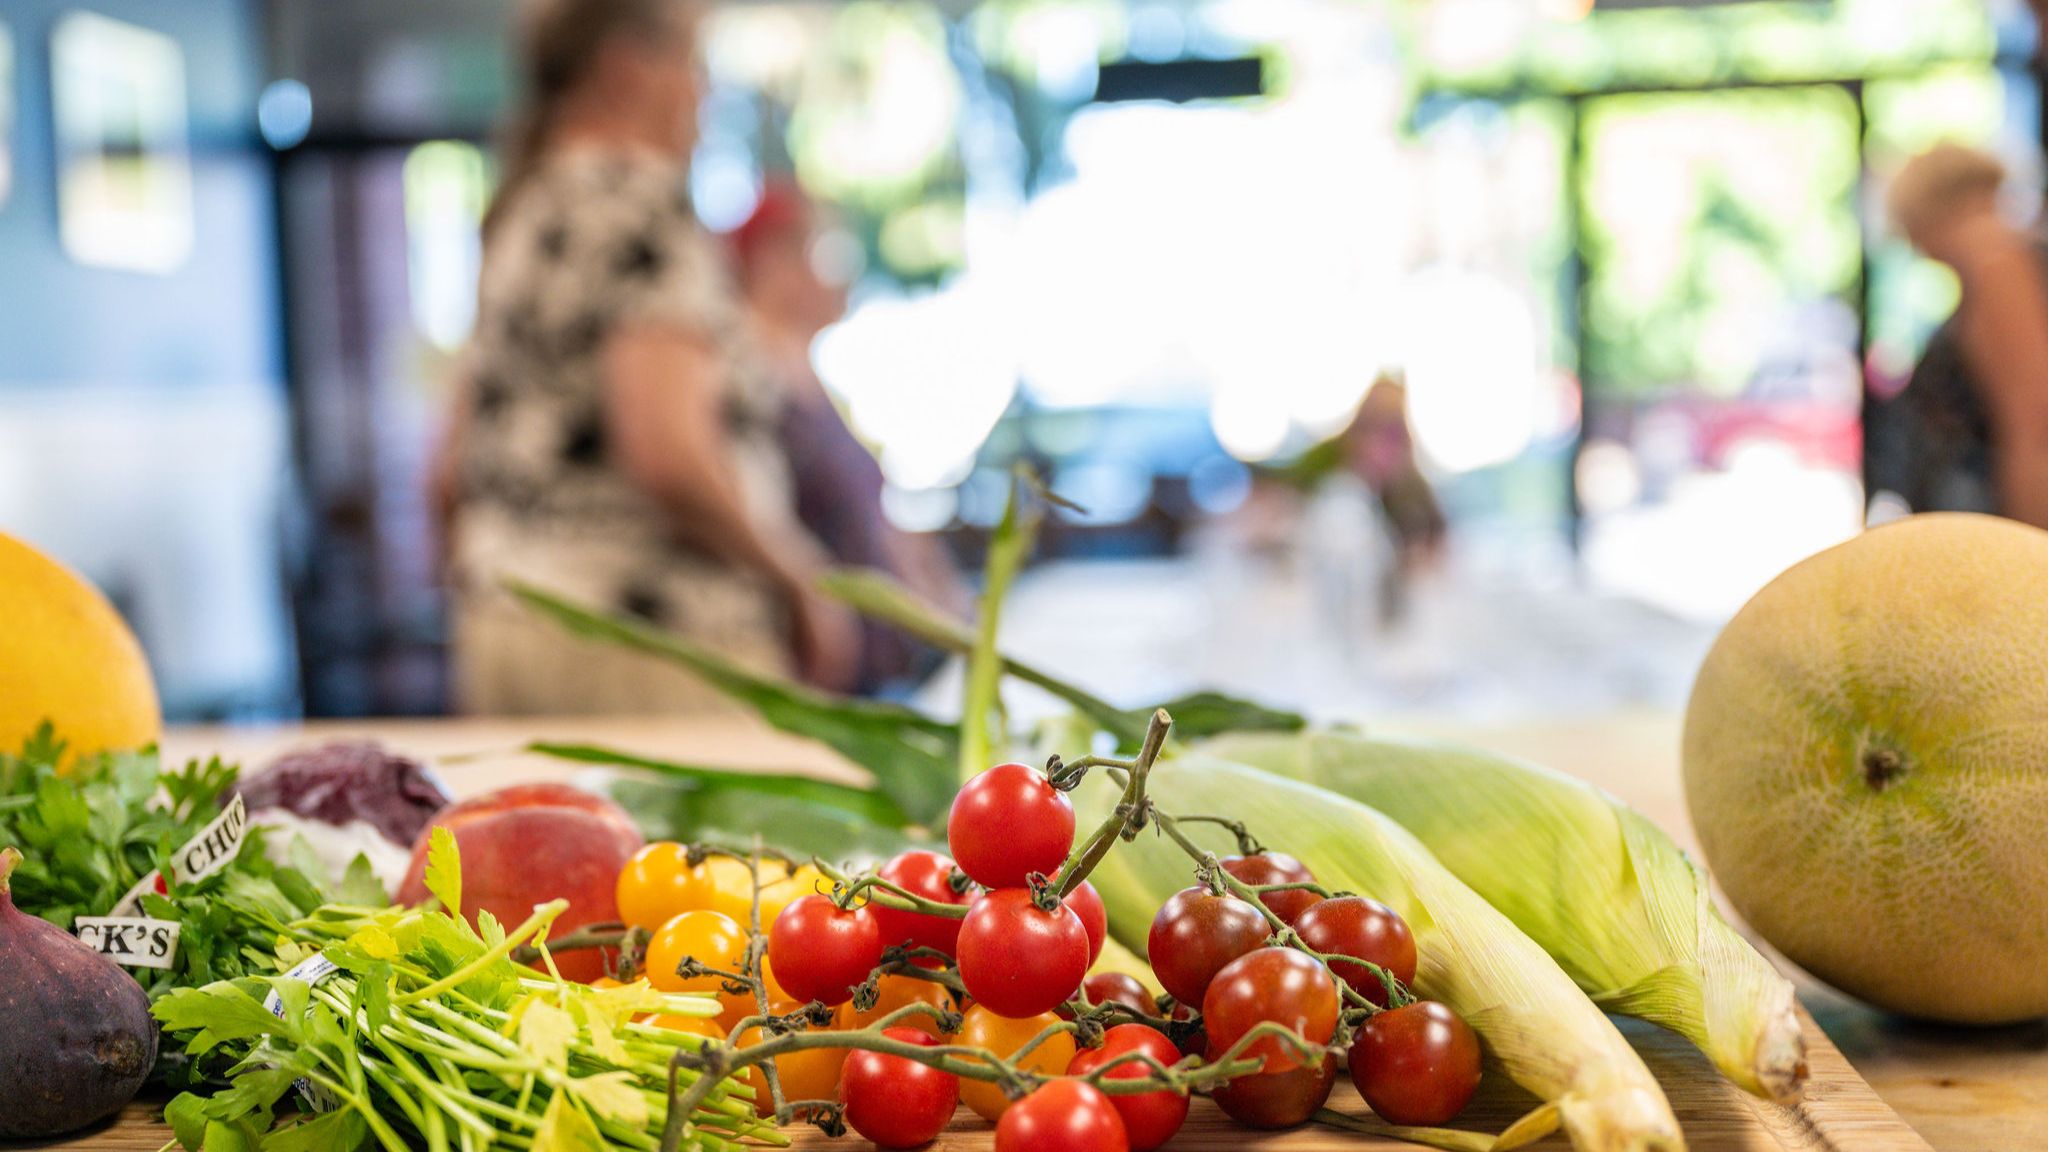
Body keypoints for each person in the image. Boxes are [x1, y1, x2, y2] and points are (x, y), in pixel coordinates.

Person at [431, 0, 858, 714]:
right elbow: (667, 455)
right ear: (629, 66)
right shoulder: (639, 205)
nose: (702, 94)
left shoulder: (521, 214)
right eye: (693, 63)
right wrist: (799, 580)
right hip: (653, 641)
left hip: (507, 630)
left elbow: (446, 472)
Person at [728, 183, 962, 690]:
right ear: (773, 260)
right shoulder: (742, 370)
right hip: (810, 663)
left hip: (872, 660)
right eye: (827, 254)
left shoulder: (812, 376)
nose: (842, 277)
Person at [1881, 143, 2048, 530]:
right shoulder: (2008, 258)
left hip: (2002, 532)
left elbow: (2034, 429)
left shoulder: (1997, 264)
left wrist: (2031, 554)